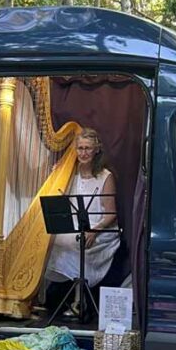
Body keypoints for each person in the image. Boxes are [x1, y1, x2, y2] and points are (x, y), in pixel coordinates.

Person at [44, 127, 121, 318]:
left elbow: (111, 214)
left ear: (96, 150)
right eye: (80, 148)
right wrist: (54, 175)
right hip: (74, 226)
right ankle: (52, 297)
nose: (83, 153)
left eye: (87, 148)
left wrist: (94, 231)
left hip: (100, 227)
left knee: (74, 242)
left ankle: (79, 301)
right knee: (48, 241)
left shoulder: (105, 177)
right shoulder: (69, 173)